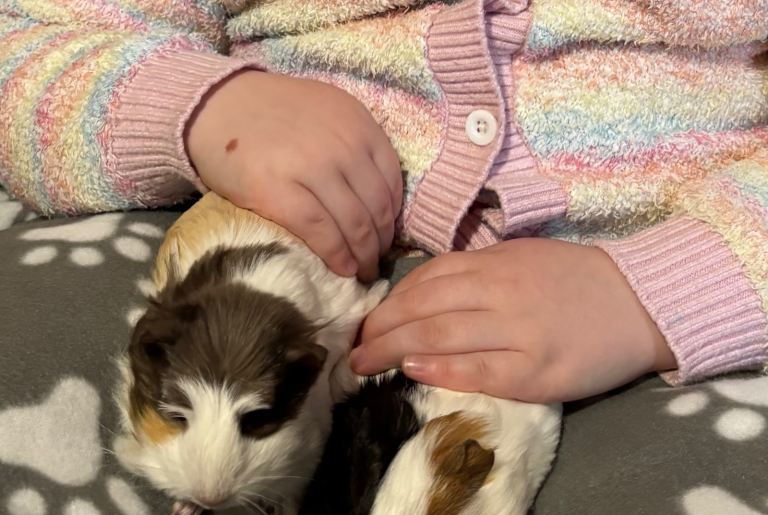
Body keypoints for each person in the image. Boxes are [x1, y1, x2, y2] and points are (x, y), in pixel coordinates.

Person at [1, 1, 767, 403]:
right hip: (236, 295)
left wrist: (660, 294)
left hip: (676, 365)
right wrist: (199, 111)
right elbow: (26, 49)